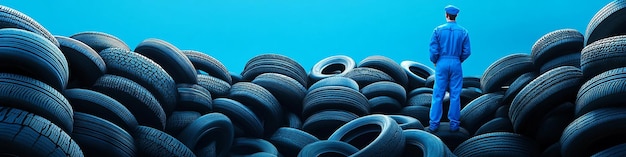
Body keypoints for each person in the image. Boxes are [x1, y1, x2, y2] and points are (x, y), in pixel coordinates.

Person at [428, 5, 471, 132]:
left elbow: (433, 50)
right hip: (456, 63)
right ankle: (454, 124)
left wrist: (435, 61)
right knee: (455, 95)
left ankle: (434, 124)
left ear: (446, 15)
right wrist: (459, 59)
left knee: (438, 94)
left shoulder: (437, 30)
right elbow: (467, 51)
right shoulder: (463, 31)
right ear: (456, 16)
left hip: (442, 62)